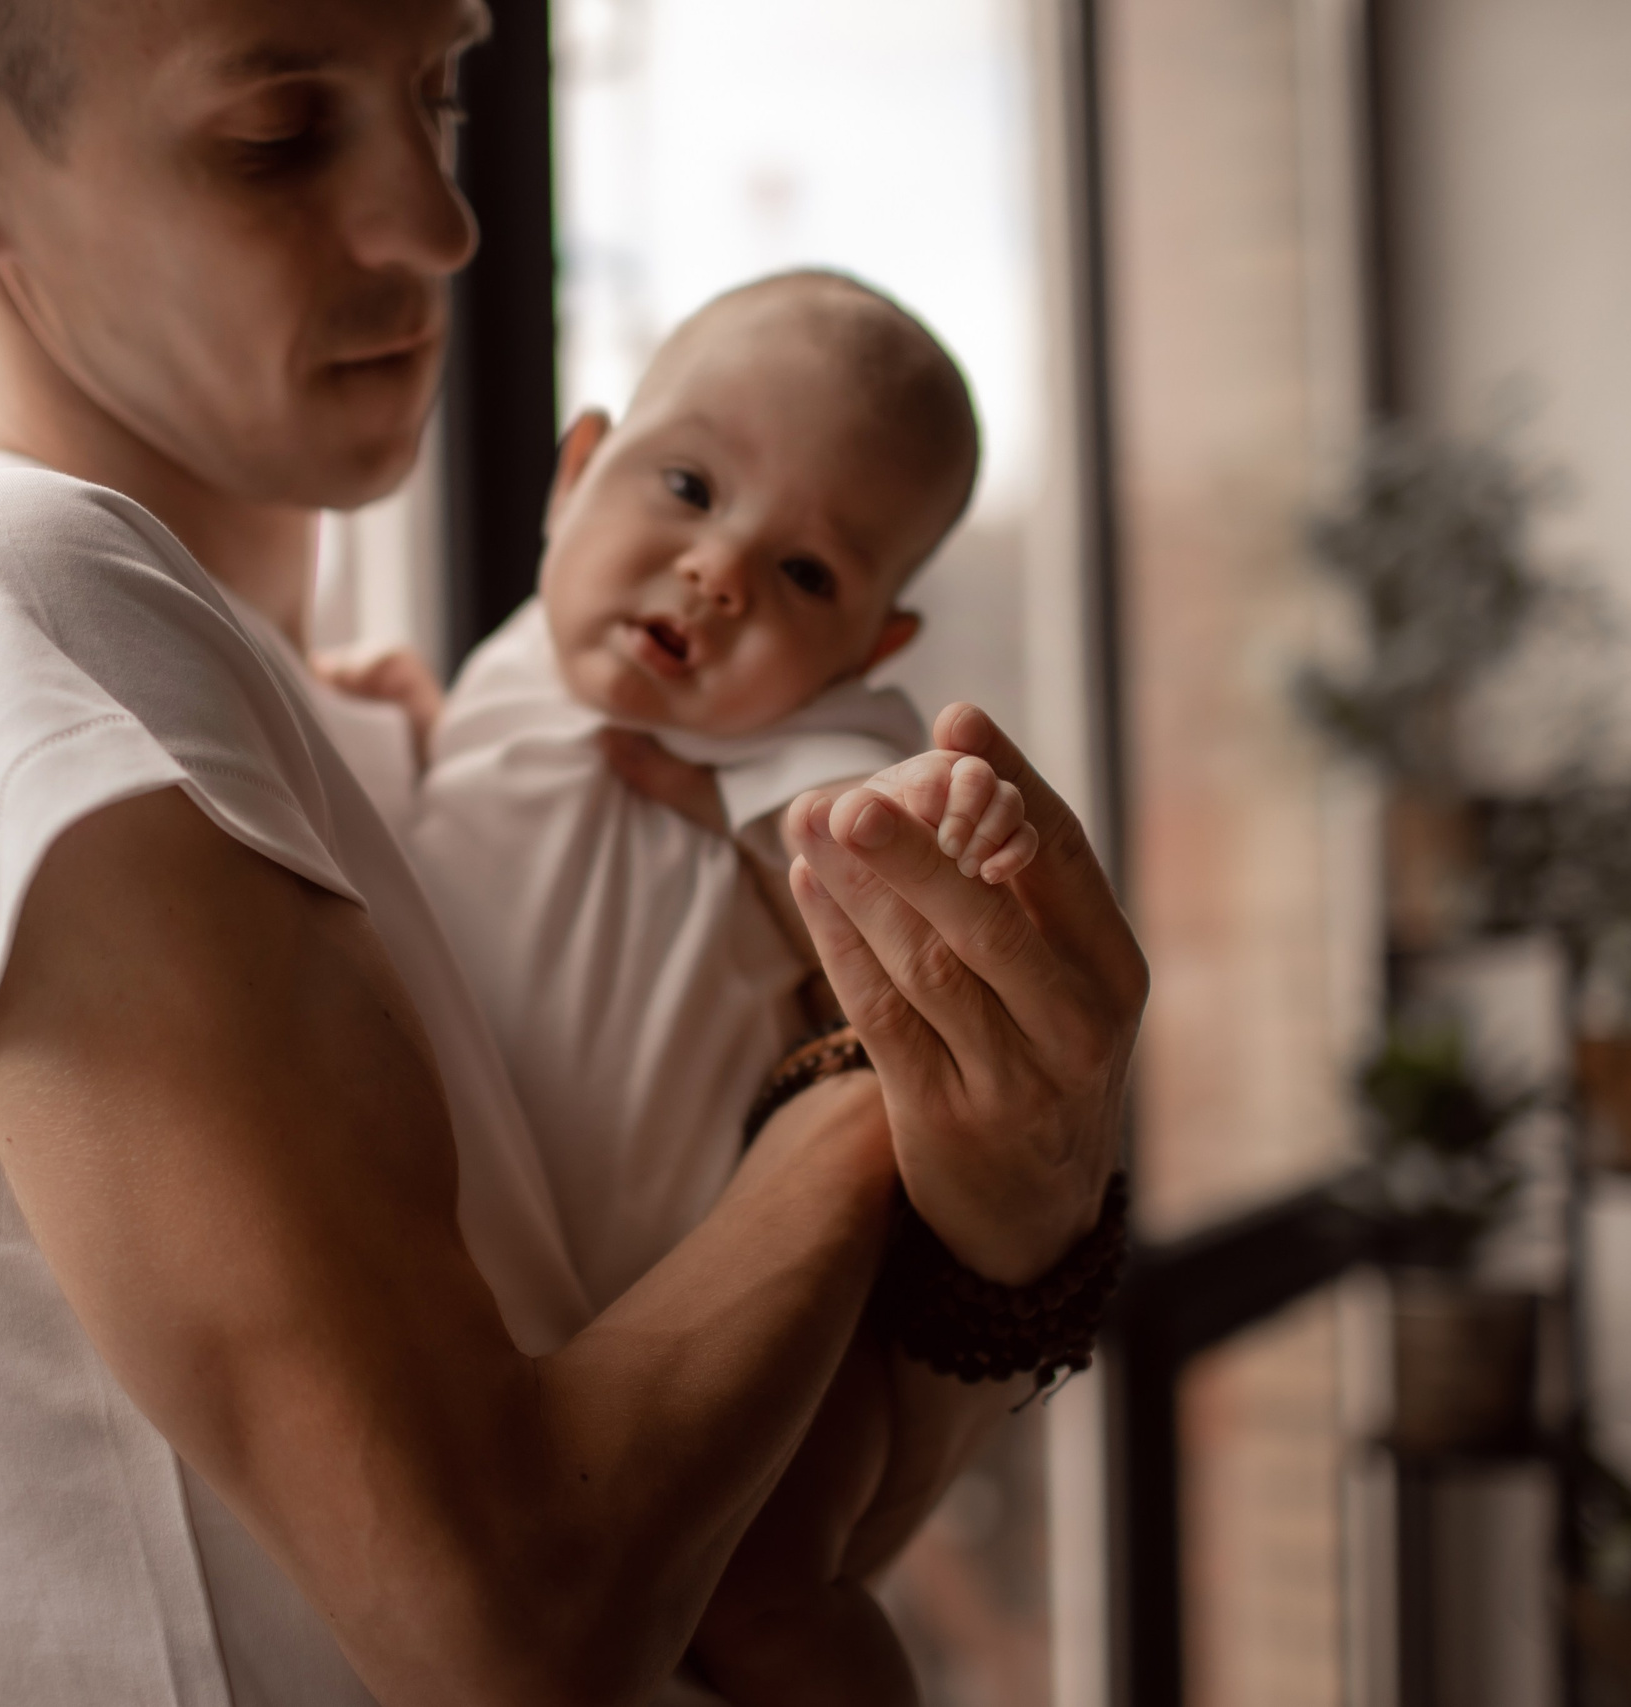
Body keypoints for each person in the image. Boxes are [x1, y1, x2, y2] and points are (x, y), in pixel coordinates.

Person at [0, 3, 1145, 1705]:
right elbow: (517, 1628)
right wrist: (858, 1102)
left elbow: (751, 1564)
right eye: (279, 135)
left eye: (437, 93)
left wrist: (1012, 1221)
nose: (440, 223)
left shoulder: (400, 763)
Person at [346, 269, 1042, 1704]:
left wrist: (938, 820)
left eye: (809, 575)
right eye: (688, 486)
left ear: (869, 647)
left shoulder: (801, 750)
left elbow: (877, 857)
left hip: (721, 1317)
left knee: (768, 1605)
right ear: (575, 476)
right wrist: (414, 726)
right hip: (509, 1304)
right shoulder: (514, 666)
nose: (720, 572)